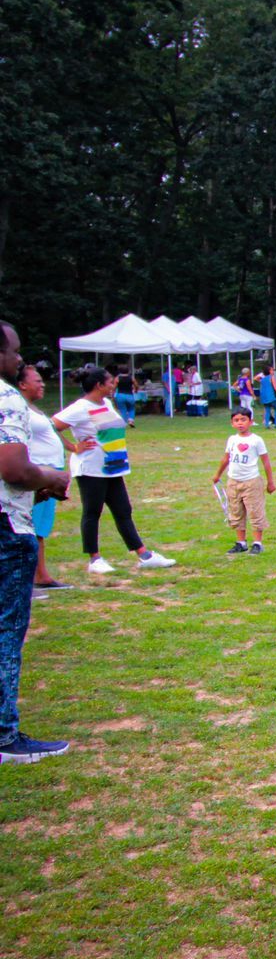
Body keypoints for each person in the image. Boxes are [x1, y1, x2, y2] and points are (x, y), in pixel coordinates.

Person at [0, 322, 75, 763]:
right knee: (7, 630)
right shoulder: (6, 399)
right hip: (8, 528)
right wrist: (51, 478)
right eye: (14, 352)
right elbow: (13, 468)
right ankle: (5, 736)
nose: (19, 361)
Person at [51, 368, 174, 575]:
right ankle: (94, 559)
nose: (113, 386)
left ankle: (145, 555)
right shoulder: (80, 408)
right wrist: (73, 447)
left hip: (112, 468)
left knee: (123, 510)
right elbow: (51, 426)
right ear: (99, 385)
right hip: (91, 468)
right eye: (110, 383)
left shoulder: (106, 403)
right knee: (92, 512)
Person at [18, 366, 71, 595]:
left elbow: (53, 433)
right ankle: (32, 579)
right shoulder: (18, 409)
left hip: (49, 473)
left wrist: (72, 447)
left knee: (40, 528)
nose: (43, 384)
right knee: (31, 528)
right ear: (22, 384)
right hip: (38, 473)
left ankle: (41, 575)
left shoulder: (34, 409)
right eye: (37, 380)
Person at [212, 408, 275, 555]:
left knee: (255, 511)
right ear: (232, 423)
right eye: (236, 420)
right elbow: (226, 458)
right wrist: (218, 475)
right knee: (236, 512)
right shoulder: (232, 440)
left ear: (251, 422)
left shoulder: (256, 440)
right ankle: (241, 542)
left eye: (243, 420)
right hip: (233, 481)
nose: (240, 423)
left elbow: (265, 462)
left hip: (251, 481)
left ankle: (257, 543)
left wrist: (270, 482)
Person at [255, 363, 276, 429]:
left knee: (267, 410)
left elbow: (256, 378)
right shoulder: (272, 377)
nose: (273, 371)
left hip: (264, 397)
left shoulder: (262, 380)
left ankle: (266, 425)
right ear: (269, 371)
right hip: (272, 396)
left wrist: (263, 373)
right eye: (272, 370)